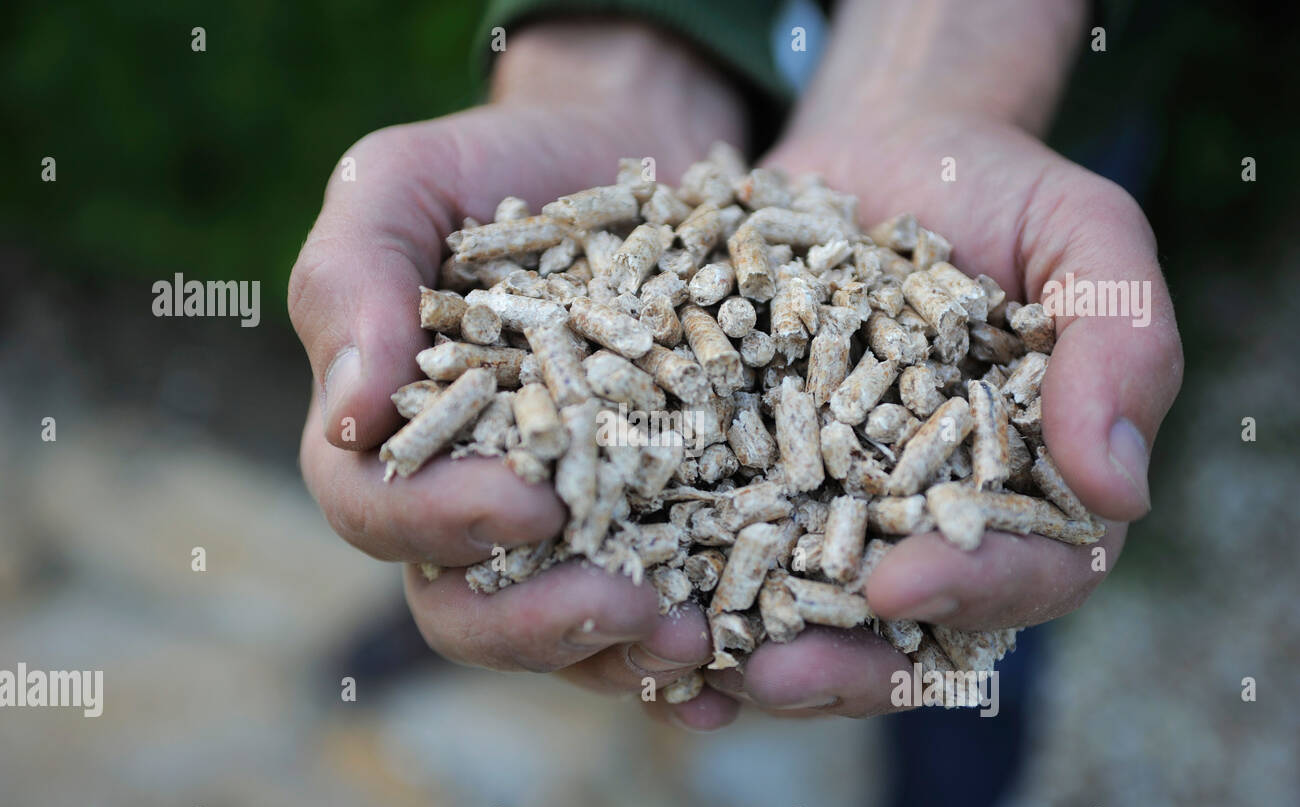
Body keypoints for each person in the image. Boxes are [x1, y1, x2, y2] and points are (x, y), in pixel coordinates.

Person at [287, 0, 1182, 736]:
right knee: (507, 515)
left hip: (1043, 82)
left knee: (974, 613)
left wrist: (952, 68)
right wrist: (623, 39)